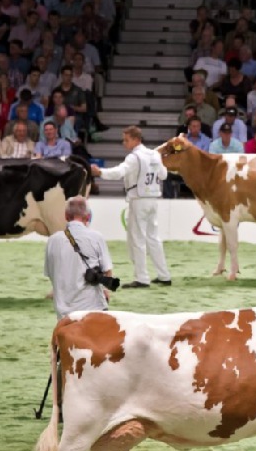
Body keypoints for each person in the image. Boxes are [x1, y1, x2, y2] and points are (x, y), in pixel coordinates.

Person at [91, 126, 172, 289]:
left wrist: (100, 172)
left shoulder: (134, 157)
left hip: (139, 198)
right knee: (153, 238)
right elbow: (164, 175)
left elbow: (119, 172)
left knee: (137, 239)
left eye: (126, 139)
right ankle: (164, 275)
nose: (124, 143)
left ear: (136, 139)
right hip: (153, 199)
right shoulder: (155, 154)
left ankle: (142, 278)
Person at [45, 195, 114, 319]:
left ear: (66, 216)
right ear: (88, 217)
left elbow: (51, 274)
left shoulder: (53, 240)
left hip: (64, 313)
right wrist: (105, 290)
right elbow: (108, 271)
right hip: (93, 308)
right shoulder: (97, 237)